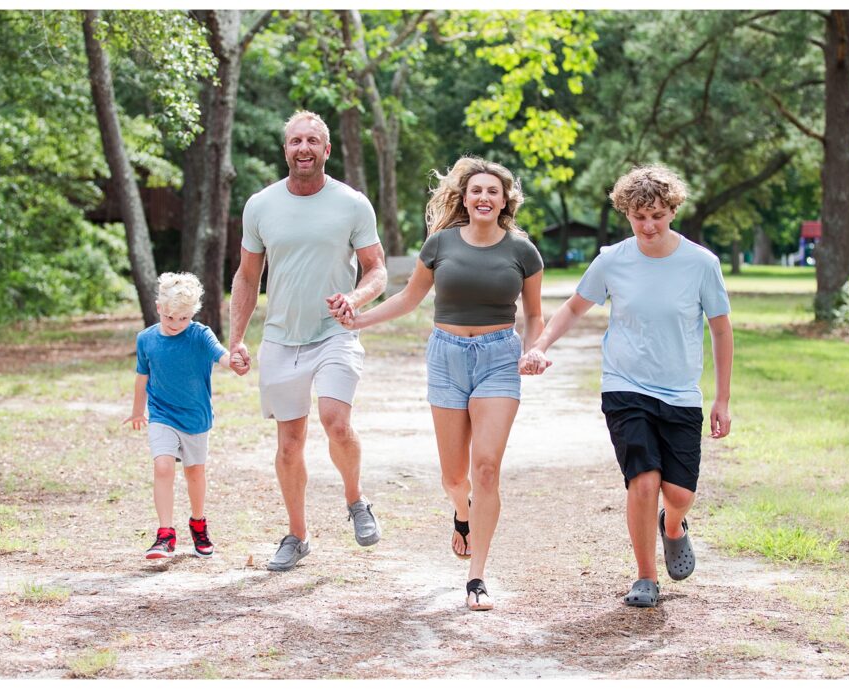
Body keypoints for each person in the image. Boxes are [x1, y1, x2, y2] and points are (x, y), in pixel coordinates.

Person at [330, 157, 544, 611]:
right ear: (464, 199)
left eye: (493, 191)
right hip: (446, 357)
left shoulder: (523, 252)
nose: (484, 197)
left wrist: (534, 349)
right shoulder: (439, 243)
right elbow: (410, 297)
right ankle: (462, 514)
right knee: (454, 476)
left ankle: (477, 577)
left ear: (505, 200)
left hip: (499, 359)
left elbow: (536, 314)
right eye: (476, 191)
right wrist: (360, 319)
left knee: (486, 468)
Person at [520, 164, 733, 608]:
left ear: (673, 210)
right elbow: (575, 308)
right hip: (625, 386)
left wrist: (722, 398)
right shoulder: (613, 259)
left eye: (656, 214)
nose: (648, 225)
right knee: (643, 478)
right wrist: (539, 345)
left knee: (679, 493)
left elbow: (721, 329)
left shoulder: (701, 264)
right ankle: (645, 578)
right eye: (639, 217)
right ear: (627, 215)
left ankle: (672, 526)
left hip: (679, 393)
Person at [228, 110, 387, 572]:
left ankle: (355, 500)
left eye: (312, 141)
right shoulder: (260, 205)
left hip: (335, 332)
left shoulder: (352, 203)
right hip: (280, 337)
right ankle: (297, 536)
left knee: (336, 422)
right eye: (295, 141)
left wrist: (354, 298)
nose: (303, 148)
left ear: (326, 150)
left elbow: (377, 269)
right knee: (289, 445)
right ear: (285, 150)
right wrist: (237, 339)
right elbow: (247, 274)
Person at [124, 272, 238, 560]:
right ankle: (165, 534)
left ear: (193, 314)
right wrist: (138, 410)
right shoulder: (146, 339)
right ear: (159, 308)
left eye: (183, 319)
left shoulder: (200, 335)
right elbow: (142, 377)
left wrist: (234, 363)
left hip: (195, 418)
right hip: (161, 414)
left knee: (194, 473)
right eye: (170, 318)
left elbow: (222, 356)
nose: (176, 325)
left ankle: (198, 524)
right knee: (163, 467)